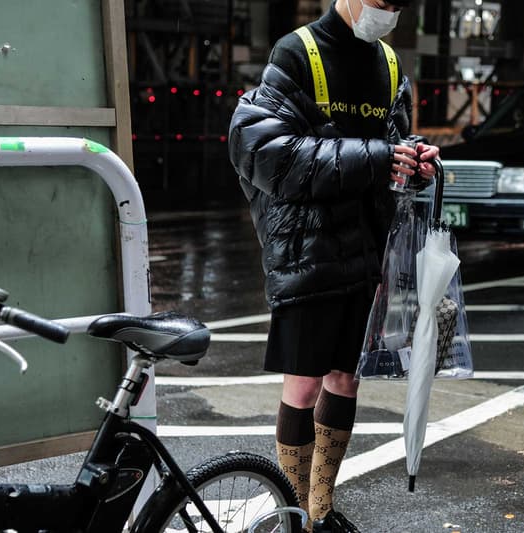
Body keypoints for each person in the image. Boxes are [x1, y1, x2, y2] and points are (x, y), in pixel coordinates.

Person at [228, 1, 439, 531]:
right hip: (308, 250)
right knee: (303, 385)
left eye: (397, 5)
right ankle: (293, 514)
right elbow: (268, 153)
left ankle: (319, 511)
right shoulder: (297, 52)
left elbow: (392, 149)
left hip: (368, 250)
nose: (387, 12)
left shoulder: (389, 63)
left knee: (346, 380)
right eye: (380, 2)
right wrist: (379, 157)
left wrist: (413, 162)